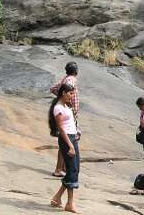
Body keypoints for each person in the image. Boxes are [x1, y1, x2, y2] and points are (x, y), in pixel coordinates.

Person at [48, 83, 80, 213]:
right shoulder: (58, 108)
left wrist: (77, 133)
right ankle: (69, 203)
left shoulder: (67, 106)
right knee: (72, 170)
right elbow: (61, 129)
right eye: (70, 93)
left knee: (75, 169)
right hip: (66, 140)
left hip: (72, 137)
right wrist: (70, 145)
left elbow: (71, 123)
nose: (72, 96)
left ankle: (57, 197)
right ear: (63, 93)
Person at [49, 62, 79, 178]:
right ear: (76, 71)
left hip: (67, 112)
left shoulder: (65, 79)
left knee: (66, 141)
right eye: (69, 93)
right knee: (67, 141)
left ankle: (63, 168)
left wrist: (61, 99)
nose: (71, 94)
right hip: (69, 114)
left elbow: (53, 89)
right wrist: (67, 103)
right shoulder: (71, 80)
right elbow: (65, 91)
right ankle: (59, 168)